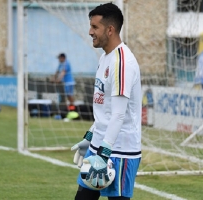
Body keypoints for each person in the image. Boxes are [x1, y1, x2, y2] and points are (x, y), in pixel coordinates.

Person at [71, 3, 142, 200]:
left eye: (95, 27)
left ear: (110, 30)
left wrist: (104, 154)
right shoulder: (105, 58)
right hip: (99, 147)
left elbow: (119, 114)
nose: (90, 32)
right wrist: (89, 138)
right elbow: (106, 110)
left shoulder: (122, 62)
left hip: (119, 151)